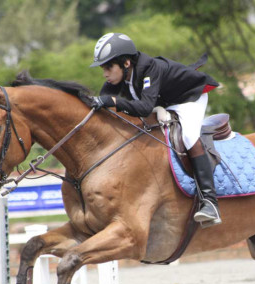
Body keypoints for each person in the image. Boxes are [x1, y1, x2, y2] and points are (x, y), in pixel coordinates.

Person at [89, 32, 221, 227]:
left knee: (189, 135)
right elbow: (104, 102)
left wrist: (113, 101)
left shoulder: (150, 68)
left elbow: (141, 107)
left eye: (108, 67)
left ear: (126, 63)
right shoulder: (118, 77)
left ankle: (210, 202)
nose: (105, 73)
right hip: (165, 102)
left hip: (189, 98)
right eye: (103, 68)